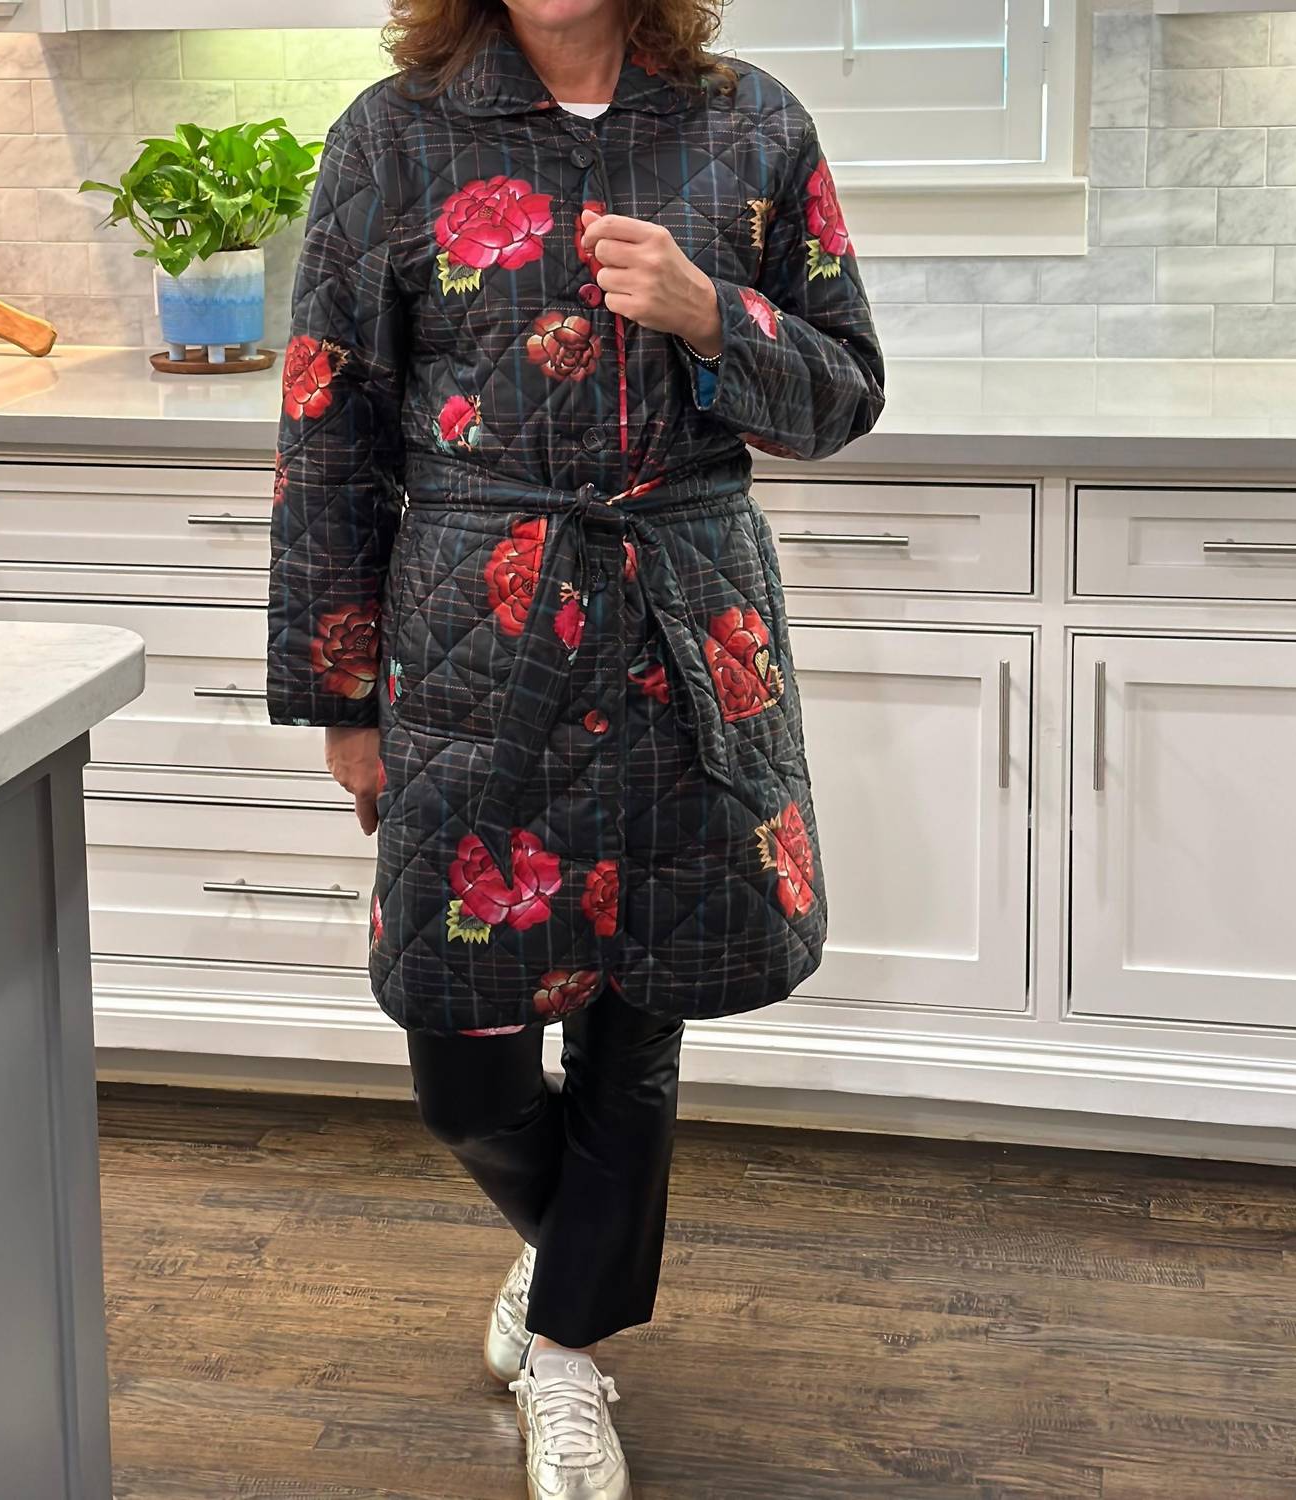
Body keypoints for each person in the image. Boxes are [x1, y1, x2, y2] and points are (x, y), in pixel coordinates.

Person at [267, 0, 884, 1492]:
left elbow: (845, 392)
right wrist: (344, 695)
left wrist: (710, 313)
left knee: (641, 1016)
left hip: (683, 616)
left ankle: (566, 1355)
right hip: (477, 635)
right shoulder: (393, 136)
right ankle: (575, 1269)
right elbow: (328, 428)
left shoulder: (751, 122)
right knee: (460, 1057)